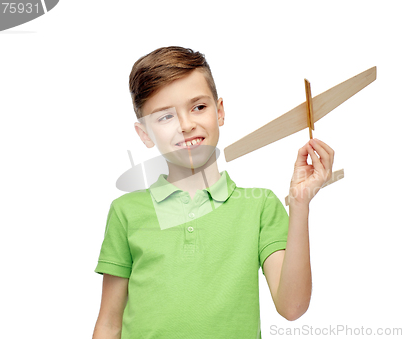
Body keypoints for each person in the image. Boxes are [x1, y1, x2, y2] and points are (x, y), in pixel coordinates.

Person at [92, 46, 335, 339]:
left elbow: (292, 307)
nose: (186, 125)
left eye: (198, 107)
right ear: (144, 133)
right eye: (165, 117)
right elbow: (109, 323)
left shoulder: (258, 206)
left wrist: (299, 204)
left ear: (219, 111)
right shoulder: (126, 211)